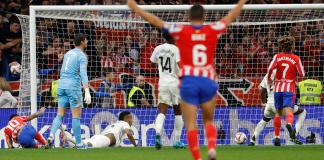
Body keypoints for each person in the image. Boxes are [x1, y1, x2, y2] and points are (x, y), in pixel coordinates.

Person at [127, 0, 247, 159]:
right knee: (208, 120)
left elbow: (154, 20)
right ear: (204, 16)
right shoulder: (213, 29)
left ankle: (197, 157)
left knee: (190, 123)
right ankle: (211, 149)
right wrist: (242, 2)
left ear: (188, 17)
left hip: (188, 81)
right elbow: (230, 16)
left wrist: (135, 7)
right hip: (207, 78)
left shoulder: (180, 30)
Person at [46, 34, 91, 149]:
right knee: (76, 117)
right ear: (81, 42)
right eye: (86, 40)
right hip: (73, 87)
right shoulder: (82, 56)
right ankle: (80, 144)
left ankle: (51, 136)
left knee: (60, 115)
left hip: (61, 85)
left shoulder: (68, 53)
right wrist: (86, 90)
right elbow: (83, 73)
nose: (87, 42)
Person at [249, 69, 306, 146]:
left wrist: (263, 104)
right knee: (302, 112)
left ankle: (253, 140)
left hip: (269, 104)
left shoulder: (268, 75)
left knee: (264, 120)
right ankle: (293, 134)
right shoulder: (285, 74)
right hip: (279, 103)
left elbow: (262, 90)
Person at [267, 35, 305, 146]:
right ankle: (289, 124)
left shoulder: (277, 56)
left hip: (278, 88)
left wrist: (270, 78)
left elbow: (270, 69)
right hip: (289, 88)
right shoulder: (296, 58)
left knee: (278, 113)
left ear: (281, 46)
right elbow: (302, 73)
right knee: (289, 111)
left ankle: (277, 137)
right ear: (292, 46)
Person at [150, 32, 184, 149]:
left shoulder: (158, 48)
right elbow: (180, 64)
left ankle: (158, 133)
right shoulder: (175, 49)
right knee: (178, 111)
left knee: (162, 111)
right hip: (174, 83)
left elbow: (152, 62)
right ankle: (177, 141)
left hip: (162, 82)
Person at [64, 111, 137, 148]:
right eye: (131, 118)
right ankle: (68, 136)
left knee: (83, 144)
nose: (132, 120)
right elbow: (129, 134)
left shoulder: (114, 125)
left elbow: (115, 141)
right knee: (87, 146)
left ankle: (68, 135)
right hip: (105, 140)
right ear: (126, 118)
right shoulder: (125, 123)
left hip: (100, 138)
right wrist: (135, 145)